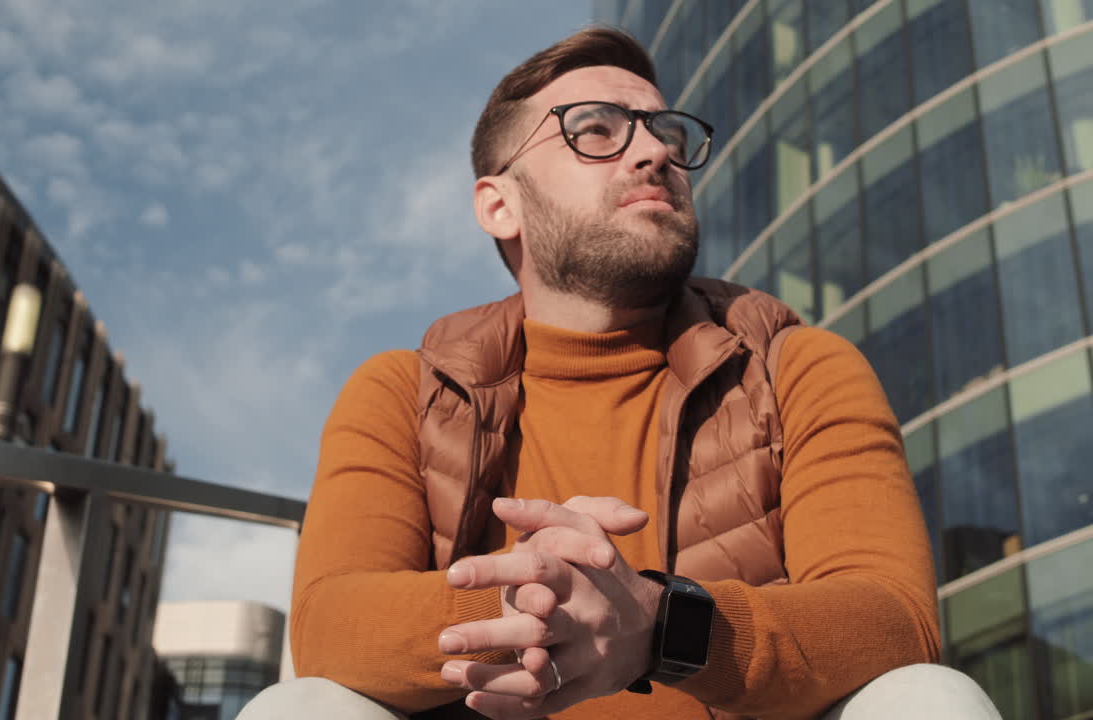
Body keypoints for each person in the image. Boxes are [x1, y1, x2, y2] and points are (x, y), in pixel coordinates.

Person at [240, 27, 1001, 720]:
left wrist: (660, 624)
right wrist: (538, 598)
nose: (655, 153)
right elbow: (329, 627)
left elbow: (893, 619)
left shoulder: (796, 367)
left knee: (929, 701)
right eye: (594, 130)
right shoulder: (406, 393)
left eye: (666, 132)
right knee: (298, 709)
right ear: (499, 205)